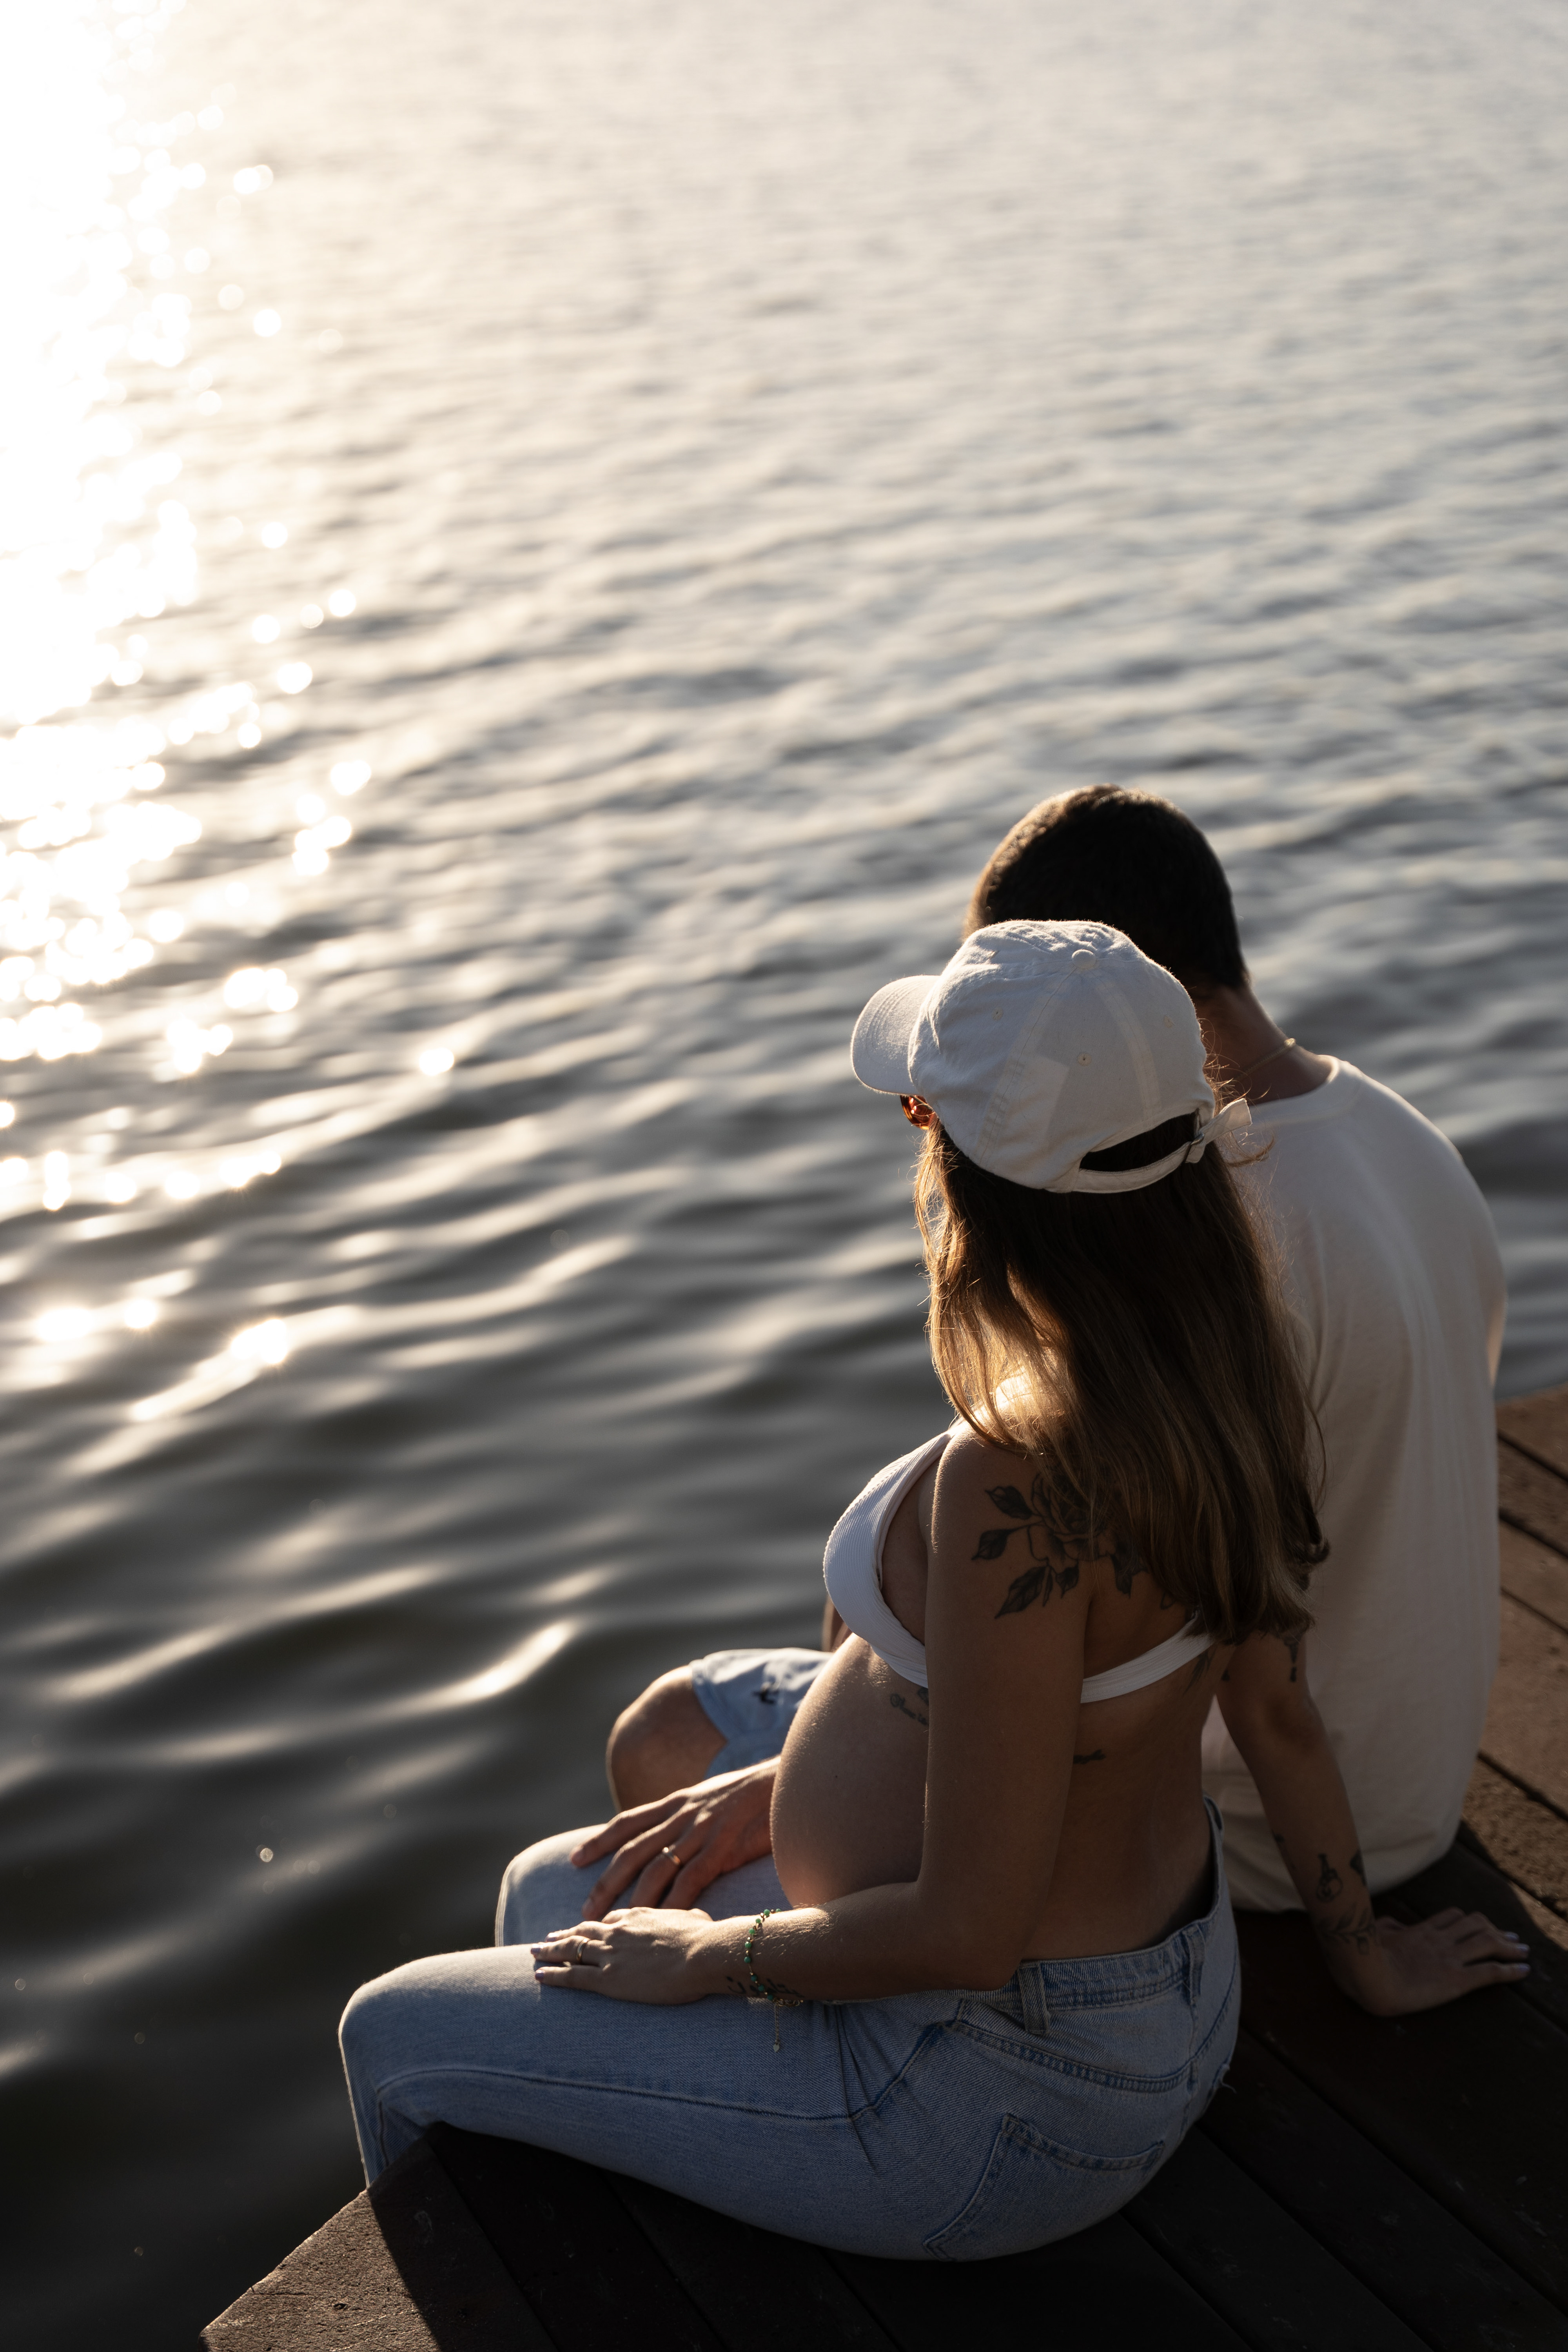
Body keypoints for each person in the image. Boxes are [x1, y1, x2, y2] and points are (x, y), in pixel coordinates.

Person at [341, 924, 1524, 2260]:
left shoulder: (1017, 1483)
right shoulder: (1230, 1367)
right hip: (1170, 1998)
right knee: (573, 1870)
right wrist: (1364, 1952)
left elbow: (969, 1933)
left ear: (967, 1169)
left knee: (397, 2030)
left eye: (922, 1114)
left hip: (991, 2094)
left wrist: (715, 1960)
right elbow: (1277, 1712)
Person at [585, 787, 1506, 1917]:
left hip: (1240, 1820)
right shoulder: (1402, 1137)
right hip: (1406, 1773)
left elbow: (1118, 1642)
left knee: (670, 1736)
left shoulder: (1196, 1244)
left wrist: (804, 1778)